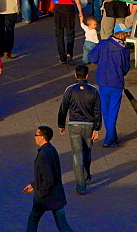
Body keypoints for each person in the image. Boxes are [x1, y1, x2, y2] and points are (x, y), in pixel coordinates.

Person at [58, 64, 102, 195]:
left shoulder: (70, 90)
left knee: (77, 155)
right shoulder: (94, 90)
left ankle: (80, 186)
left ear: (75, 75)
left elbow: (63, 108)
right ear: (87, 76)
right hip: (89, 125)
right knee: (87, 152)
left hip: (74, 125)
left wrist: (61, 125)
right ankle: (86, 173)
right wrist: (97, 129)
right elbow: (97, 111)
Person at [23, 125, 75, 232]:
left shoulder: (43, 155)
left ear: (42, 137)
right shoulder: (51, 149)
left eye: (36, 135)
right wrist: (33, 185)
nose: (35, 137)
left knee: (33, 220)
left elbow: (49, 178)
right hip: (57, 195)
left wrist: (40, 193)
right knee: (62, 225)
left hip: (45, 197)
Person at [88, 22, 131, 147]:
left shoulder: (103, 44)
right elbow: (125, 69)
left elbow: (93, 58)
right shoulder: (124, 50)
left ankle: (111, 135)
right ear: (122, 35)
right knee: (113, 111)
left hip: (102, 82)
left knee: (105, 110)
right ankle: (109, 138)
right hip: (116, 83)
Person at [54, 0, 84, 66]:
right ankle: (69, 54)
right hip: (69, 9)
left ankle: (62, 57)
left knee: (59, 34)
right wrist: (80, 13)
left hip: (59, 8)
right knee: (70, 33)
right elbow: (77, 1)